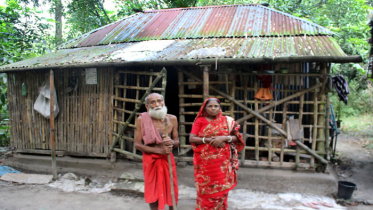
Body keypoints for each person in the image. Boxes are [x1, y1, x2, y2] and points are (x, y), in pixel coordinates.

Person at [189, 97, 244, 210]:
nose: (213, 108)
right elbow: (192, 138)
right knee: (206, 191)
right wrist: (209, 140)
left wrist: (223, 138)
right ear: (205, 108)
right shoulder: (200, 121)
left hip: (222, 164)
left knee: (221, 191)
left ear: (220, 108)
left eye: (216, 106)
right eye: (210, 106)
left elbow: (237, 137)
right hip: (205, 164)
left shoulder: (227, 121)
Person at [134, 93, 179, 210]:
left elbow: (177, 141)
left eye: (159, 101)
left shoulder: (172, 119)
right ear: (147, 106)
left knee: (171, 189)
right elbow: (137, 144)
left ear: (163, 102)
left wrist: (171, 143)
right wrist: (159, 151)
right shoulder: (142, 119)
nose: (157, 104)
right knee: (153, 189)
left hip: (167, 159)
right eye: (152, 102)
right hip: (150, 160)